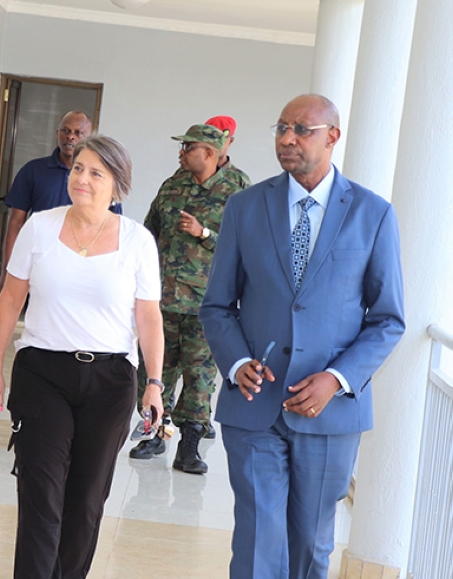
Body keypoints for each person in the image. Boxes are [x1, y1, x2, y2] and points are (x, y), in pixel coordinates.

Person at [200, 94, 405, 578]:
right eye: (281, 127)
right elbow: (216, 305)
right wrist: (235, 363)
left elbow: (388, 319)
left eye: (302, 129)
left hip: (329, 411)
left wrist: (335, 379)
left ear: (332, 136)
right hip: (253, 404)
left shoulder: (373, 214)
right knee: (256, 542)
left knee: (310, 545)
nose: (287, 139)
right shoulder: (244, 207)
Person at [0, 134, 165, 578]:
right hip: (43, 372)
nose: (81, 178)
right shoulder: (39, 228)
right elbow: (9, 300)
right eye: (77, 168)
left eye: (95, 173)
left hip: (110, 380)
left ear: (117, 185)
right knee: (41, 495)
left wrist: (155, 385)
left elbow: (149, 318)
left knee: (86, 500)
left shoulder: (138, 241)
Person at [129, 124, 244, 474]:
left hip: (206, 305)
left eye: (188, 147)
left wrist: (204, 233)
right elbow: (148, 234)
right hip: (162, 301)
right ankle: (154, 434)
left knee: (199, 376)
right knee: (154, 370)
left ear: (208, 153)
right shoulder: (172, 186)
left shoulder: (237, 192)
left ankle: (189, 446)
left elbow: (247, 246)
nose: (181, 153)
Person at [2, 111, 121, 269]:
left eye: (78, 133)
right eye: (66, 130)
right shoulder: (33, 171)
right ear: (57, 133)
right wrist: (8, 269)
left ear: (89, 138)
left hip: (85, 266)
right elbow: (16, 223)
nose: (71, 137)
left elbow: (115, 230)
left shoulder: (104, 179)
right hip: (38, 264)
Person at [202, 115, 251, 189]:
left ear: (230, 141)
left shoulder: (240, 180)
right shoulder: (186, 173)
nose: (215, 144)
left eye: (220, 140)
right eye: (210, 140)